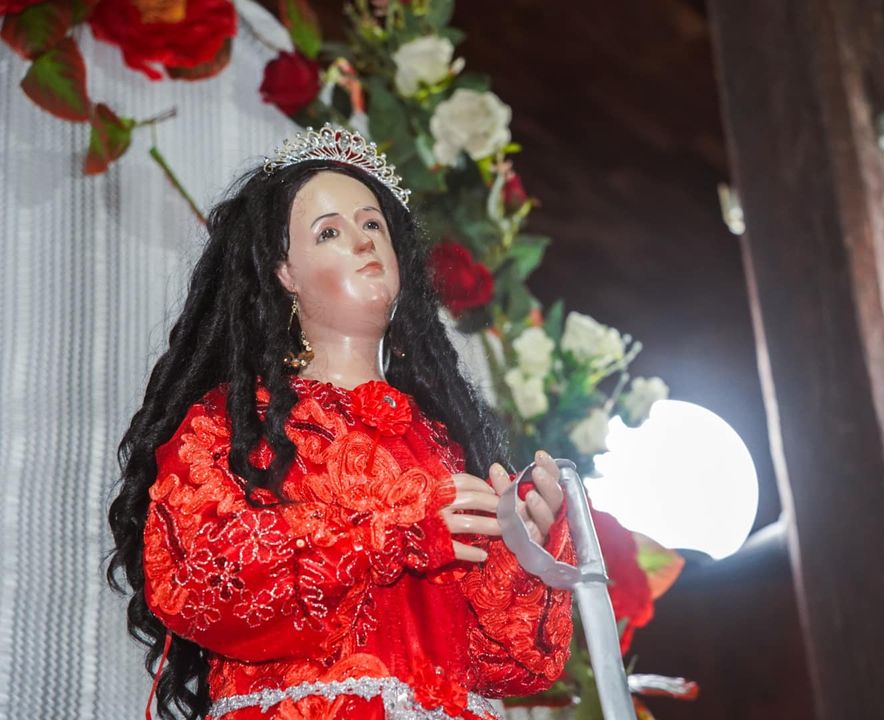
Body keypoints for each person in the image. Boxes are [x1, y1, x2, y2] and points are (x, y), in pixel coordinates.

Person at [106, 123, 575, 720]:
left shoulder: (443, 444)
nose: (362, 241)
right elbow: (199, 580)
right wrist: (392, 535)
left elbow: (507, 665)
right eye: (329, 231)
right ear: (284, 273)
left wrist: (523, 549)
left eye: (372, 224)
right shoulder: (233, 426)